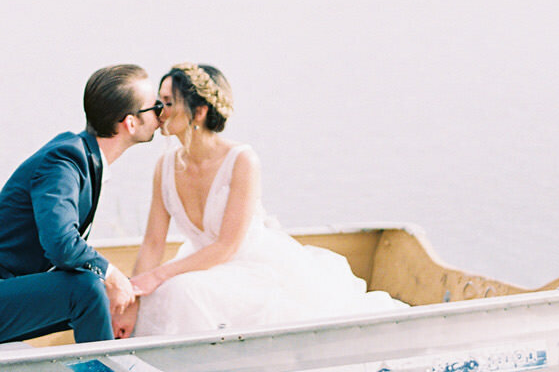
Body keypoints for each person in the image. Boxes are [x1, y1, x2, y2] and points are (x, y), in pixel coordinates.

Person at [113, 63, 406, 339]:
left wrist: (158, 277)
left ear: (199, 111)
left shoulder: (242, 160)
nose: (158, 110)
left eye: (168, 102)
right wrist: (134, 298)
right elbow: (153, 243)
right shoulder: (164, 166)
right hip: (200, 264)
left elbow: (226, 247)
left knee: (180, 290)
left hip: (250, 266)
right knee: (158, 295)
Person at [0, 63, 161, 348]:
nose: (160, 115)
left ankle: (98, 370)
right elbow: (60, 244)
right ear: (130, 122)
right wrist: (112, 274)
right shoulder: (64, 161)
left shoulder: (81, 157)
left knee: (92, 286)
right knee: (87, 287)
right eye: (155, 108)